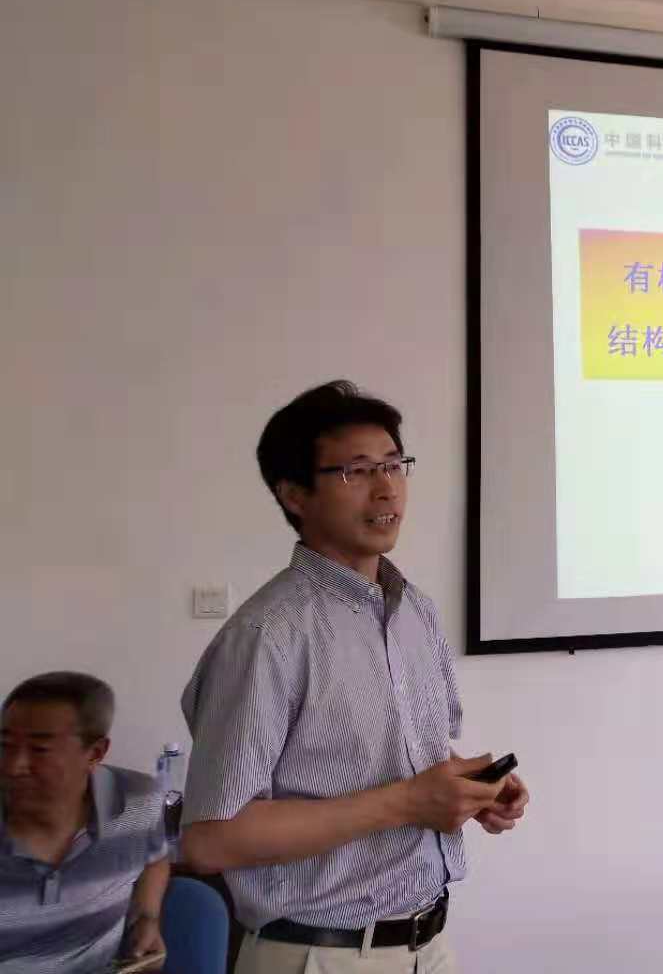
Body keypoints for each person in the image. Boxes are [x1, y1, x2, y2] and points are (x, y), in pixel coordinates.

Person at [180, 380, 528, 973]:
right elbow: (211, 839)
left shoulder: (415, 611)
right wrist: (408, 802)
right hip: (319, 955)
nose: (386, 487)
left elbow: (394, 759)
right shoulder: (267, 634)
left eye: (394, 465)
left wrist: (469, 793)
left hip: (428, 947)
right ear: (295, 495)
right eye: (358, 471)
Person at [0, 671, 169, 971]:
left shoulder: (138, 801)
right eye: (5, 744)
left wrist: (147, 917)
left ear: (95, 753)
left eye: (39, 749)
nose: (14, 766)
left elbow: (155, 859)